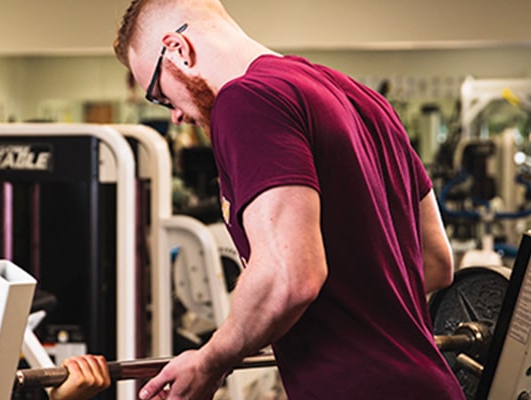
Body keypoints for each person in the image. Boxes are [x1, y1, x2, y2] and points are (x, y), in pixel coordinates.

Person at [53, 0, 466, 398]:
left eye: (159, 95)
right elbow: (434, 262)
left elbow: (289, 278)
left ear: (177, 49)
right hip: (432, 385)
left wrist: (209, 360)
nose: (174, 115)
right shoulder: (362, 98)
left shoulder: (247, 100)